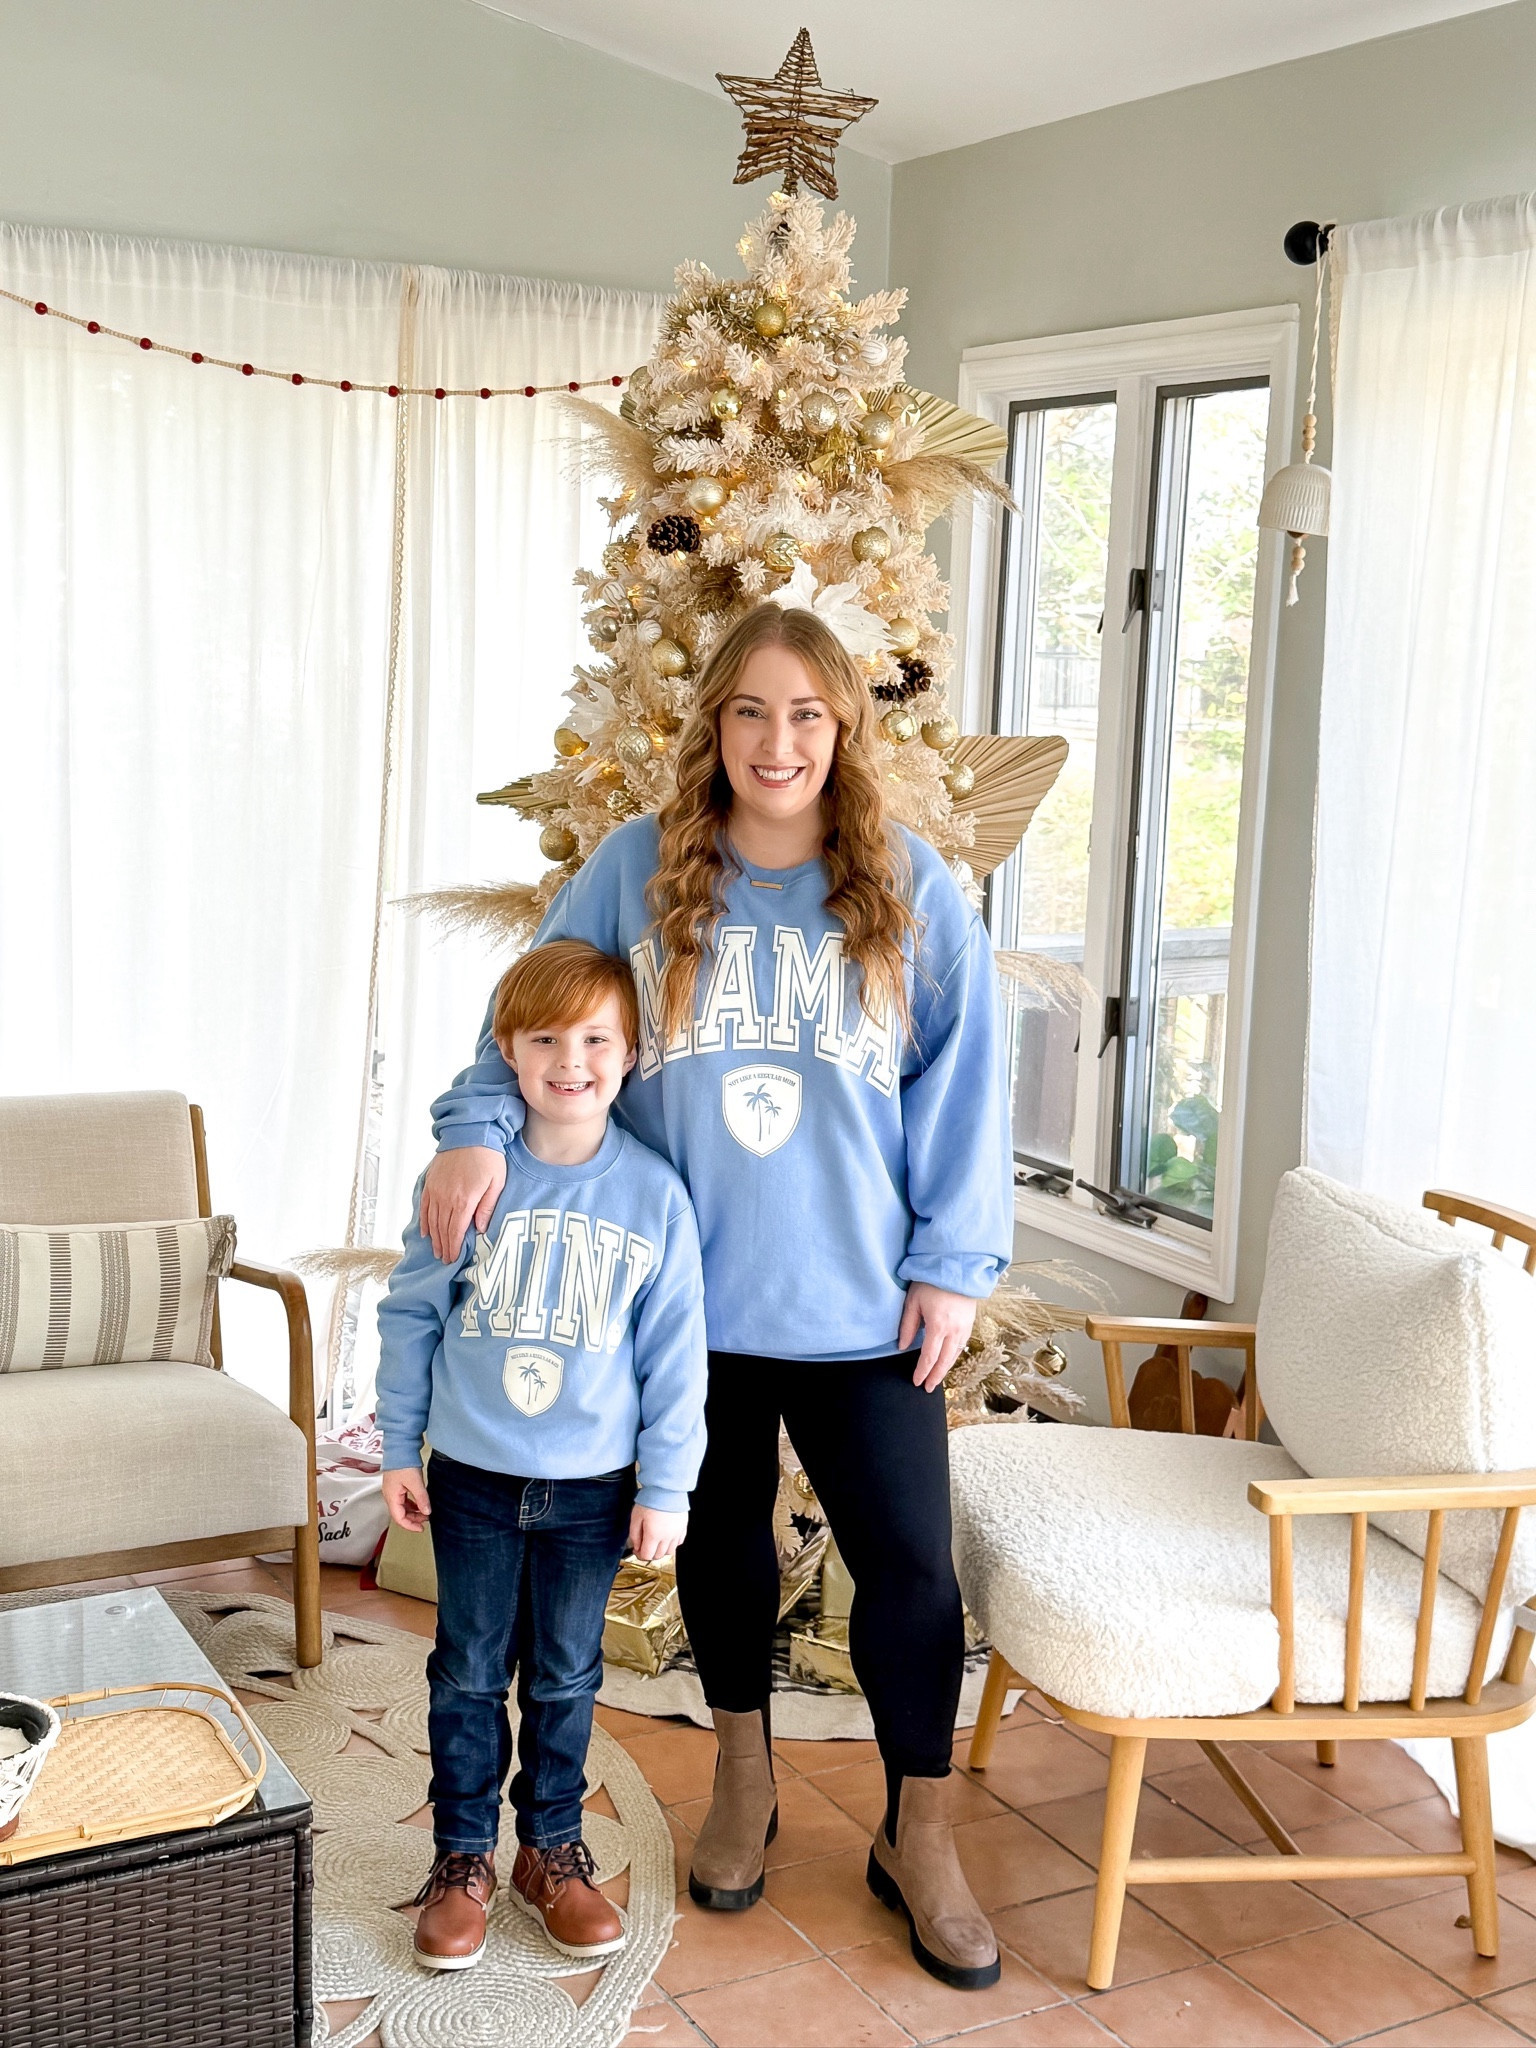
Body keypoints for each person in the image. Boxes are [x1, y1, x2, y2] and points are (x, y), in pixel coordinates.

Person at [418, 602, 1012, 1991]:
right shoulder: (637, 872)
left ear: (845, 729)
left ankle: (919, 1833)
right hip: (684, 1308)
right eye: (751, 710)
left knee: (914, 1577)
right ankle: (742, 1784)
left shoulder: (911, 889)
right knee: (721, 1556)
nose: (778, 740)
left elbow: (966, 1094)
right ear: (715, 726)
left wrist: (952, 1266)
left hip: (868, 1305)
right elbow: (528, 1019)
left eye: (807, 713)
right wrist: (471, 1127)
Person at [376, 939, 707, 1971]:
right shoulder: (470, 1178)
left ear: (630, 1052)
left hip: (594, 1491)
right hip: (473, 1478)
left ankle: (550, 1850)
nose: (572, 1058)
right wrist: (396, 1445)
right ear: (508, 1053)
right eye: (545, 1038)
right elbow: (411, 1312)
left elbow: (676, 1354)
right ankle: (463, 1855)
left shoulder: (654, 1194)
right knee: (468, 1673)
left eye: (597, 1037)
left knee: (565, 1677)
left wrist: (667, 1482)